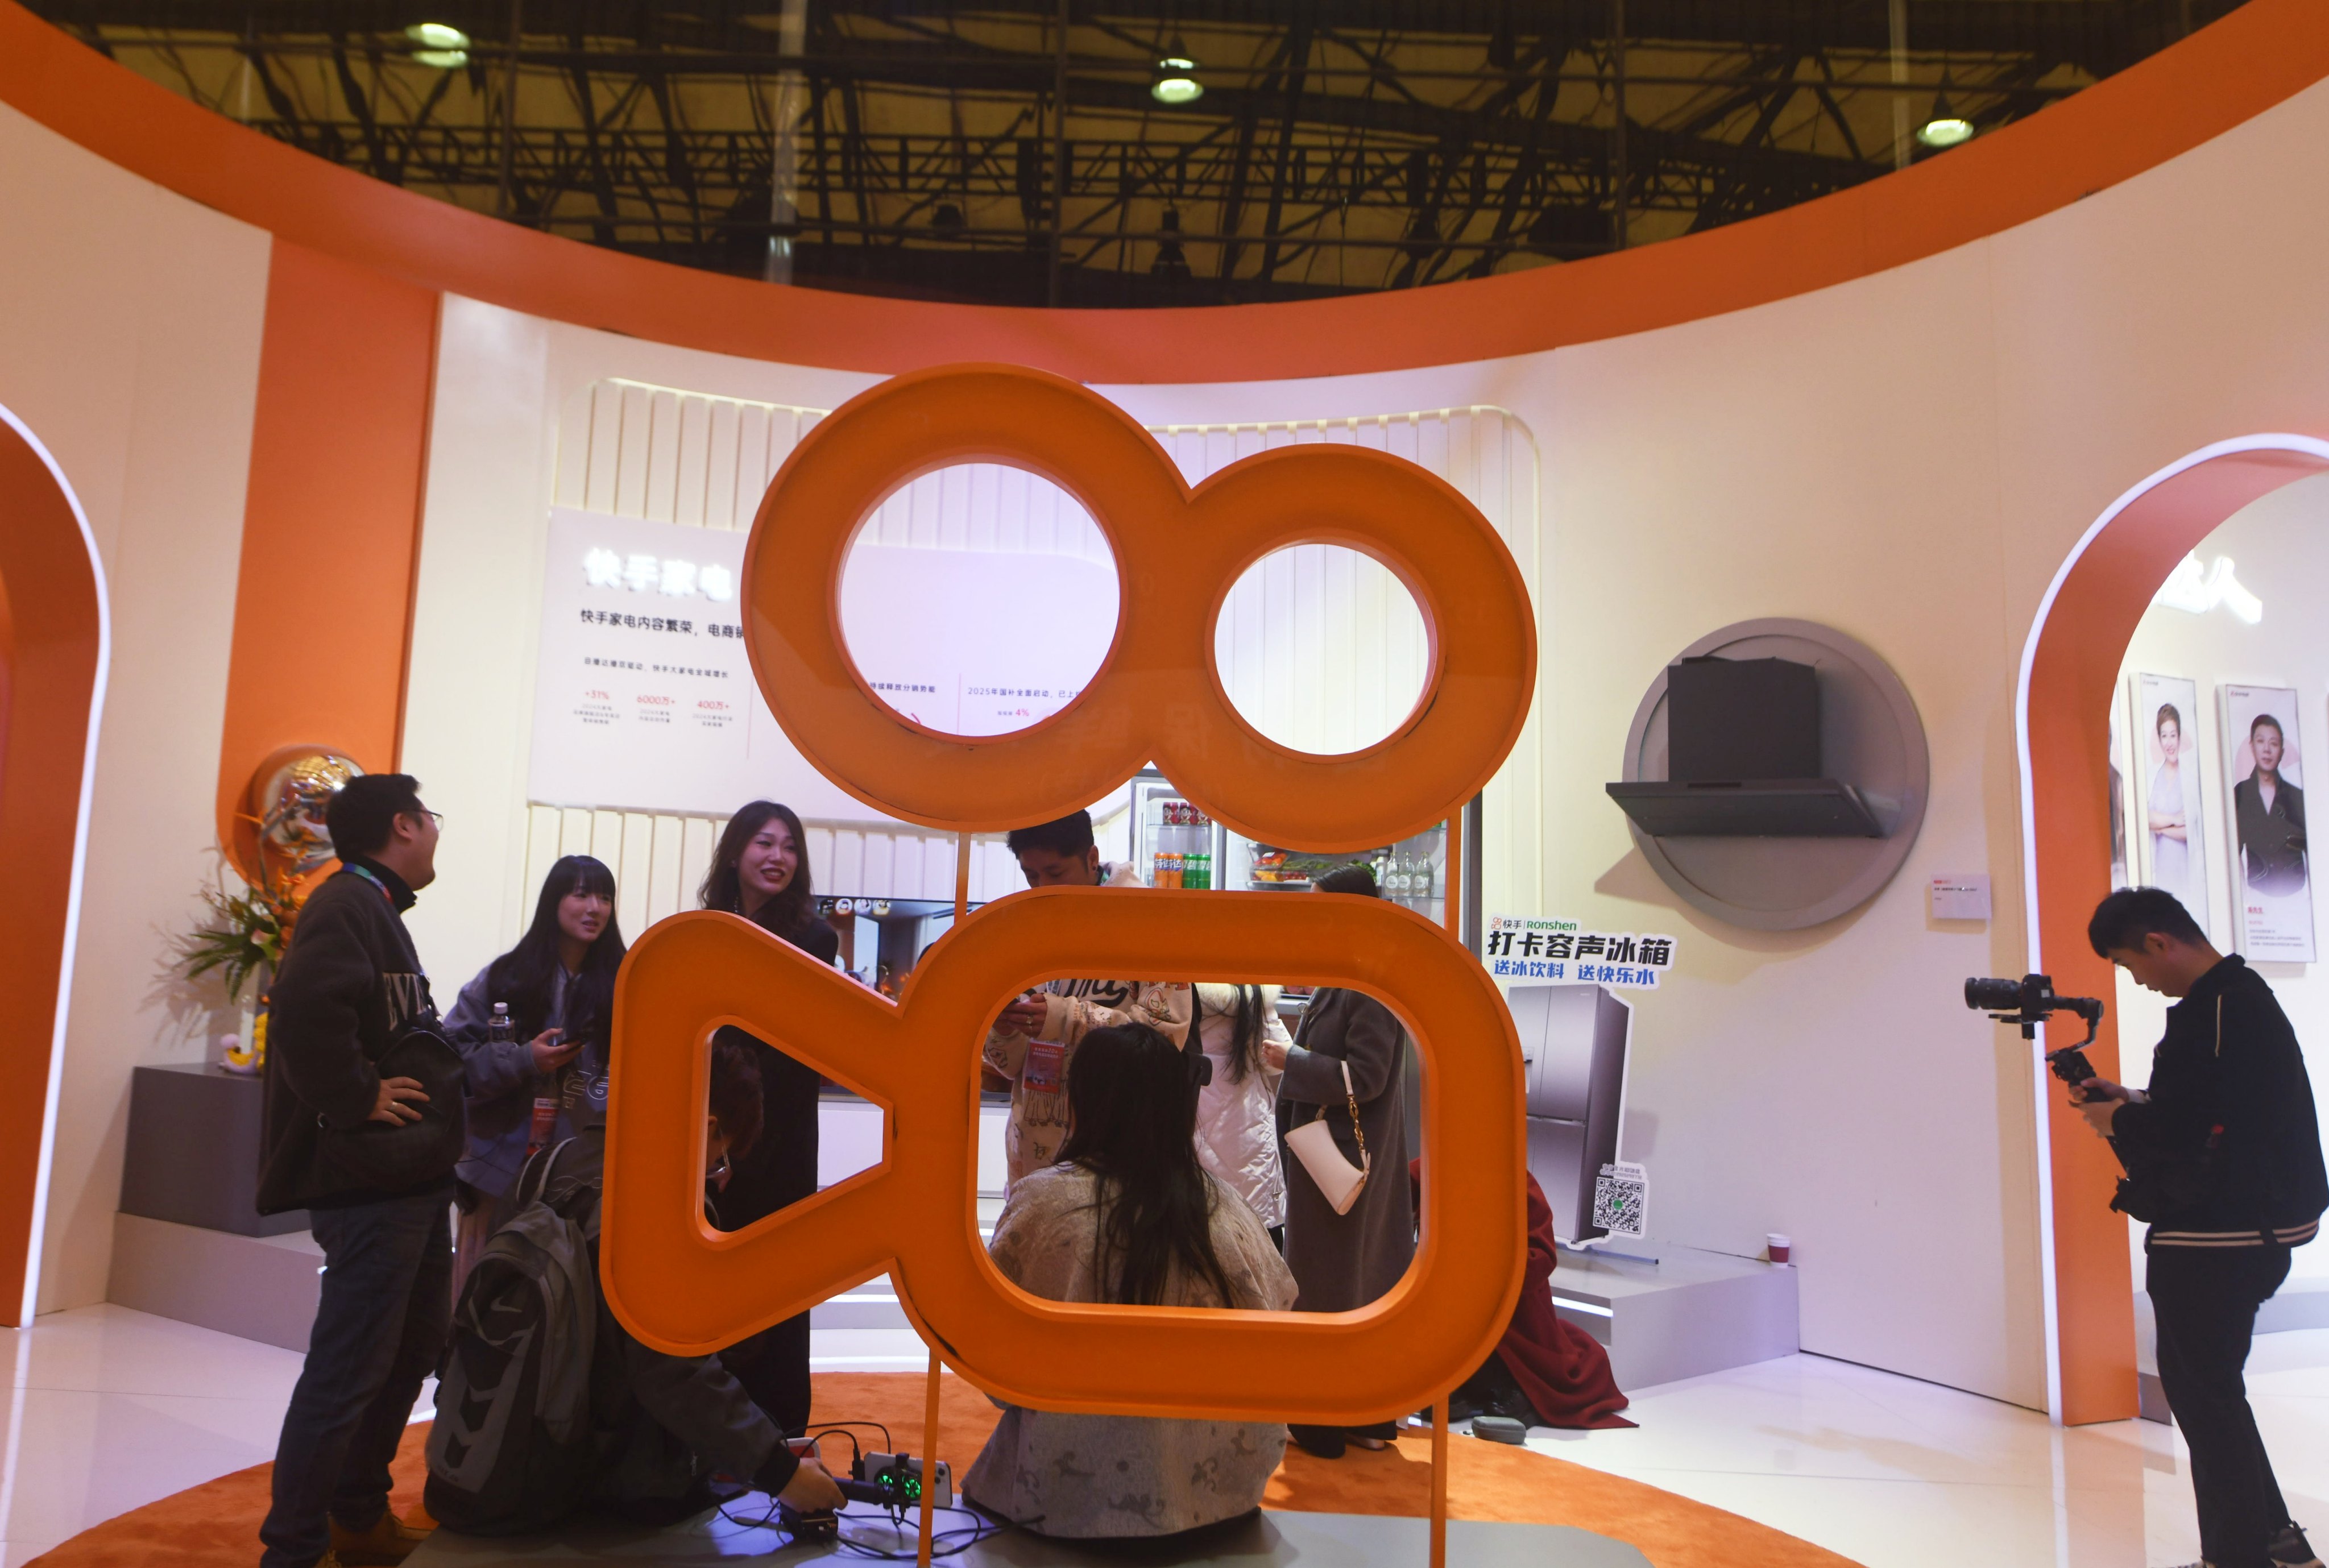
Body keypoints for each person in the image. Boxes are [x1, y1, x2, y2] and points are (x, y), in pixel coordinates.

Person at [427, 1039, 846, 1531]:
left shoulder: (549, 1164)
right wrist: (783, 1474)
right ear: (709, 1128)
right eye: (720, 1159)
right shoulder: (660, 1208)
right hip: (600, 1488)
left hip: (496, 1451)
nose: (719, 1178)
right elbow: (672, 1374)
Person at [2075, 887, 2328, 1568]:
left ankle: (2237, 1556)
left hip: (2223, 1237)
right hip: (2253, 1229)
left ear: (2159, 942)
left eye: (2132, 965)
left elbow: (2193, 1133)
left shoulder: (2212, 1010)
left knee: (2205, 1399)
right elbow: (2219, 1109)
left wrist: (2121, 1120)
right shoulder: (2239, 997)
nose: (2139, 981)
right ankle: (2275, 1545)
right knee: (2213, 1393)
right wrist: (2135, 1101)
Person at [964, 1024, 1295, 1540]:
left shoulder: (1042, 1208)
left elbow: (993, 1373)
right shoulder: (1231, 1213)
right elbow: (1278, 1338)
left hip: (1057, 1505)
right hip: (1218, 1503)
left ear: (1081, 1100)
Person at [254, 774, 450, 1568]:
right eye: (430, 818)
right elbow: (302, 1013)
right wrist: (358, 1094)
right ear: (403, 826)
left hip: (406, 1182)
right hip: (371, 1186)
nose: (437, 831)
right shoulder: (347, 904)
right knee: (347, 1369)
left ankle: (359, 1518)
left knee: (407, 1349)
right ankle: (294, 1549)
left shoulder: (372, 907)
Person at [698, 800, 838, 1437]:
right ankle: (718, 1430)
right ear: (735, 853)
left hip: (776, 1138)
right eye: (763, 843)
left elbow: (786, 1058)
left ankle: (780, 1432)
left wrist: (738, 1145)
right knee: (713, 1285)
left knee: (779, 1290)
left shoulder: (813, 937)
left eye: (789, 847)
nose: (777, 856)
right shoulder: (706, 930)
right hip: (710, 1136)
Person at [1274, 861, 1415, 1459]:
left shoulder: (1368, 981)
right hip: (1333, 1161)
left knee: (1337, 1285)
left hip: (1344, 1165)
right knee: (1348, 1282)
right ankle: (1357, 1414)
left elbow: (1367, 1076)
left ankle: (1327, 1419)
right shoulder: (1348, 975)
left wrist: (1289, 1060)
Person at [442, 854, 625, 1296]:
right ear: (553, 903)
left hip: (586, 1176)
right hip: (499, 1169)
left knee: (568, 1306)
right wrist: (524, 1059)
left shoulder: (627, 980)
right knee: (486, 1296)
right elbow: (450, 1058)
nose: (595, 908)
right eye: (581, 894)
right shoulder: (507, 977)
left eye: (604, 897)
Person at [982, 810, 1192, 1189]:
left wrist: (1065, 1018)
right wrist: (1004, 1029)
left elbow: (1165, 1040)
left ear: (1092, 859)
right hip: (1033, 1152)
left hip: (1119, 1149)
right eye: (1031, 876)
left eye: (1056, 873)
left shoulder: (1153, 921)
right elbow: (1011, 1066)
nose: (1042, 887)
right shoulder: (1026, 926)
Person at [1405, 1159, 1631, 1430]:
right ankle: (1463, 1383)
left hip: (1506, 1312)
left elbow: (1542, 1257)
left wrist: (1482, 1265)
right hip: (1450, 1309)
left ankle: (1508, 1386)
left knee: (1507, 1347)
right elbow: (1398, 1190)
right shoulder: (1437, 1166)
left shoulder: (1515, 1182)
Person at [1191, 982, 1291, 1245]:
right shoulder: (1253, 995)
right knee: (1256, 1230)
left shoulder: (1175, 988)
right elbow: (1275, 1062)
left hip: (1187, 1114)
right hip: (1245, 1128)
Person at [2235, 713, 2309, 897]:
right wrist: (2245, 896)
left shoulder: (2297, 797)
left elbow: (2312, 852)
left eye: (2274, 744)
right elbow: (2234, 852)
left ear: (2282, 751)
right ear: (2252, 746)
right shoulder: (2240, 794)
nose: (2267, 750)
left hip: (2296, 895)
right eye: (2261, 742)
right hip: (2257, 895)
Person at [2149, 704, 2196, 904]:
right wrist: (2174, 820)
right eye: (2164, 736)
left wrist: (2160, 829)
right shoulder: (2153, 777)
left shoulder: (2189, 779)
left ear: (2179, 736)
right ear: (2159, 739)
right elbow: (2146, 819)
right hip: (2159, 868)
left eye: (2173, 735)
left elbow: (2189, 832)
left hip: (2183, 870)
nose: (2169, 742)